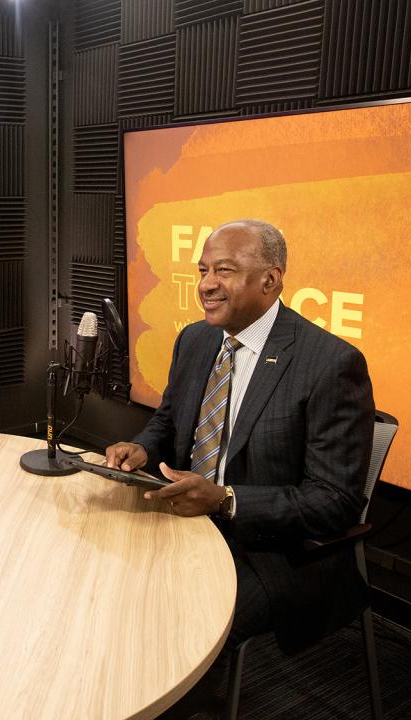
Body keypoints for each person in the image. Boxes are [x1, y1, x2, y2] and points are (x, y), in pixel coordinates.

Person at [106, 219, 375, 657]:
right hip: (185, 517)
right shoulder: (195, 339)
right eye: (203, 271)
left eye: (224, 271)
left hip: (271, 550)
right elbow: (168, 422)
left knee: (178, 629)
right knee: (105, 577)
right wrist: (142, 448)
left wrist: (226, 500)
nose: (206, 285)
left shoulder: (331, 364)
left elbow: (334, 501)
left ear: (270, 280)